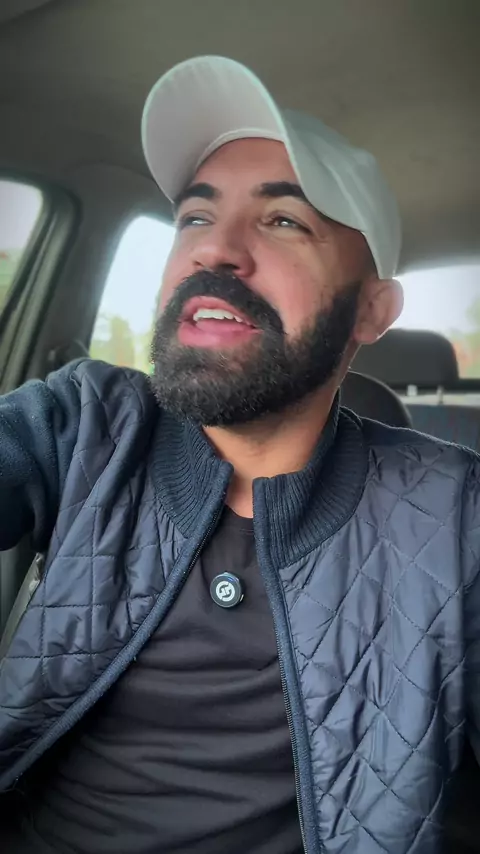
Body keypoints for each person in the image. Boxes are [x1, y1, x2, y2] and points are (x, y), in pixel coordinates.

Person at [0, 55, 478, 854]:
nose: (215, 250)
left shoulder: (452, 513)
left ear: (371, 310)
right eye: (194, 216)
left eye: (284, 220)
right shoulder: (85, 424)